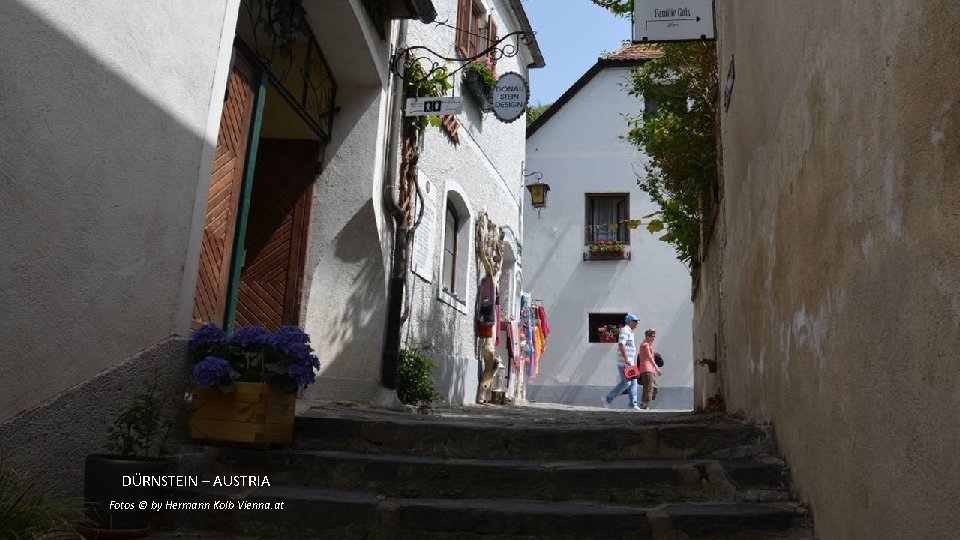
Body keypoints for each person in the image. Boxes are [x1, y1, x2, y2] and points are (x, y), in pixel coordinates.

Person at [601, 313, 641, 410]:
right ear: (630, 322)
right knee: (626, 383)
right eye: (636, 322)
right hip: (625, 363)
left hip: (630, 363)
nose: (637, 324)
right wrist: (626, 359)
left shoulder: (630, 331)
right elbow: (621, 344)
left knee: (633, 383)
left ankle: (633, 405)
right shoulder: (625, 331)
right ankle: (607, 399)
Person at [637, 329, 662, 409]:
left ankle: (644, 402)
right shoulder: (645, 345)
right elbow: (650, 358)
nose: (654, 338)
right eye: (652, 337)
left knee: (654, 387)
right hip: (647, 369)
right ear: (647, 336)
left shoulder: (648, 345)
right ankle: (644, 404)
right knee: (648, 388)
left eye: (654, 337)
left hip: (650, 369)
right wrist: (657, 368)